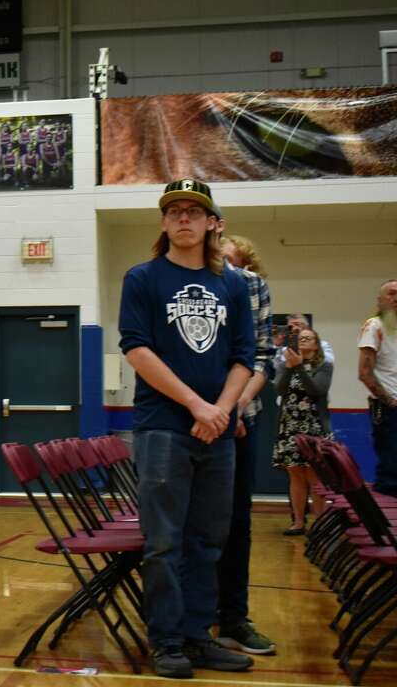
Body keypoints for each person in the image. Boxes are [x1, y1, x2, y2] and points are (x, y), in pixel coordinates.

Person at [119, 178, 254, 679]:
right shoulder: (143, 278)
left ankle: (199, 637)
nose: (183, 218)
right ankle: (167, 641)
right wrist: (198, 406)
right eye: (173, 211)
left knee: (207, 541)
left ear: (211, 223)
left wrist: (220, 410)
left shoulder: (234, 285)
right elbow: (136, 348)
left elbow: (244, 356)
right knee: (163, 543)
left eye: (193, 212)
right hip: (163, 429)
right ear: (163, 222)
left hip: (215, 430)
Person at [212, 229, 277, 655]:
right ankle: (193, 618)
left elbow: (261, 357)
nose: (226, 265)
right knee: (193, 525)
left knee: (237, 522)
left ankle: (234, 617)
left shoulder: (253, 289)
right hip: (191, 420)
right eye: (222, 258)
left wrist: (234, 406)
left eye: (234, 260)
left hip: (239, 420)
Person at [272, 328, 334, 533]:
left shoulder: (324, 365)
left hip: (314, 426)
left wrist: (298, 368)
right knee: (295, 475)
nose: (304, 341)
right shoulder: (285, 364)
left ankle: (320, 523)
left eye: (308, 338)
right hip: (290, 425)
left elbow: (317, 391)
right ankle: (298, 521)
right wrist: (290, 368)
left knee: (315, 476)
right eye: (300, 339)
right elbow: (280, 389)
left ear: (316, 344)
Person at [359, 279, 397, 497]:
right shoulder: (374, 326)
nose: (396, 299)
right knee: (391, 471)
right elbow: (364, 373)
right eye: (391, 294)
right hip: (389, 407)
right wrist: (390, 401)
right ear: (380, 301)